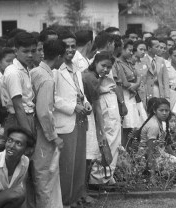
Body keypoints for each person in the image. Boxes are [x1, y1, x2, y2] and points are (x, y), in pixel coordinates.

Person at [54, 31, 91, 207]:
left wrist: (86, 102)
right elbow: (52, 98)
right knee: (66, 164)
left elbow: (79, 91)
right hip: (65, 120)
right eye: (66, 46)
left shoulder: (75, 67)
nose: (70, 49)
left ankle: (76, 198)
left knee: (78, 162)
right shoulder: (55, 69)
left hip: (80, 119)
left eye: (73, 46)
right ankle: (64, 202)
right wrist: (72, 106)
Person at [29, 39, 66, 208]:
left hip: (33, 128)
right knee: (44, 175)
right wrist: (53, 136)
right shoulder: (46, 78)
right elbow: (44, 112)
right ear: (59, 56)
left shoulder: (35, 71)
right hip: (41, 131)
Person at [83, 52, 122, 186]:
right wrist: (101, 131)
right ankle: (97, 180)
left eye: (108, 67)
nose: (105, 69)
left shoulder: (93, 75)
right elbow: (96, 106)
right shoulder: (90, 77)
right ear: (95, 63)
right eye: (103, 66)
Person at [140, 98, 176, 180]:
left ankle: (161, 174)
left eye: (167, 110)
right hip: (148, 157)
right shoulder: (154, 125)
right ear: (155, 111)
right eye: (161, 110)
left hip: (158, 154)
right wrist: (152, 175)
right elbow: (149, 150)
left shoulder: (159, 121)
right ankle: (155, 175)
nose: (164, 113)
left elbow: (166, 146)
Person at [2, 32, 37, 133]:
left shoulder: (24, 69)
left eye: (33, 51)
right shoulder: (14, 72)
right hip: (18, 119)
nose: (30, 55)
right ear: (16, 51)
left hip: (27, 117)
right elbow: (18, 106)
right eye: (25, 51)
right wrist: (28, 133)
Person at [113, 40, 144, 146]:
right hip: (125, 95)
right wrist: (136, 84)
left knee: (133, 126)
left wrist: (136, 83)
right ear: (122, 49)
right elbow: (124, 83)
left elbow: (137, 76)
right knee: (127, 126)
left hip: (132, 95)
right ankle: (125, 152)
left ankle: (130, 152)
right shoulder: (118, 63)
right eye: (130, 50)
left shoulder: (128, 62)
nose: (132, 53)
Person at [143, 37, 170, 102]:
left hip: (158, 90)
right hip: (146, 91)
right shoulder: (142, 60)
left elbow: (165, 80)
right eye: (157, 47)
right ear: (149, 48)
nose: (159, 49)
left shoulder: (161, 60)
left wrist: (167, 97)